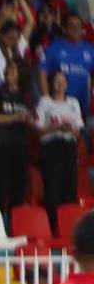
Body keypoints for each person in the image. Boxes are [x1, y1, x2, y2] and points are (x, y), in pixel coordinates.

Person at [36, 70, 83, 231]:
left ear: (67, 84)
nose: (59, 83)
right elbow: (39, 129)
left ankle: (70, 226)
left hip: (69, 146)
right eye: (56, 80)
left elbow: (78, 129)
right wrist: (55, 128)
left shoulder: (73, 103)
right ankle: (53, 227)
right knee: (53, 189)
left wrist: (69, 129)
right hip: (51, 147)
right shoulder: (44, 102)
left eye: (62, 80)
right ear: (51, 83)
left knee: (70, 188)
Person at [0, 60, 31, 229]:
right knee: (0, 189)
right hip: (1, 145)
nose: (9, 72)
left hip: (20, 147)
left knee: (18, 191)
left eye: (13, 69)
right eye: (8, 69)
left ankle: (15, 229)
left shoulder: (25, 95)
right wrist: (15, 117)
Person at [40, 13, 94, 127]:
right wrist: (46, 99)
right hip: (60, 106)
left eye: (78, 26)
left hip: (83, 104)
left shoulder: (90, 50)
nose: (75, 29)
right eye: (71, 26)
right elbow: (42, 72)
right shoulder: (54, 48)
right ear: (64, 29)